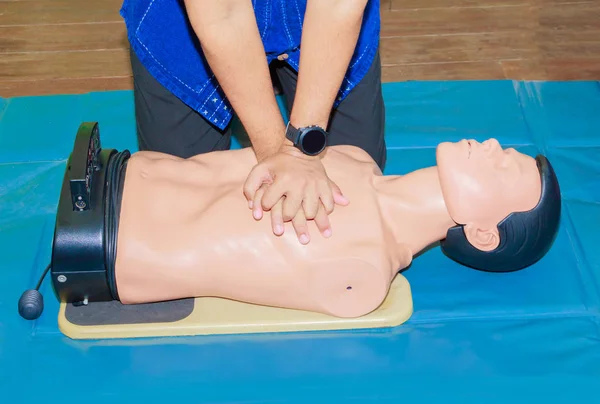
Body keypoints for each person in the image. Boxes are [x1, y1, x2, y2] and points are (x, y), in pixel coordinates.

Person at [113, 139, 561, 318]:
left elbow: (198, 259)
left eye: (500, 167)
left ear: (484, 234)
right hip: (123, 171)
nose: (488, 146)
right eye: (503, 148)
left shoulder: (363, 269)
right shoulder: (357, 159)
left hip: (113, 241)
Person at [119, 0, 385, 244]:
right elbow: (224, 14)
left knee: (356, 183)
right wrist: (276, 156)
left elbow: (336, 5)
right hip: (192, 19)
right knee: (176, 207)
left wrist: (300, 152)